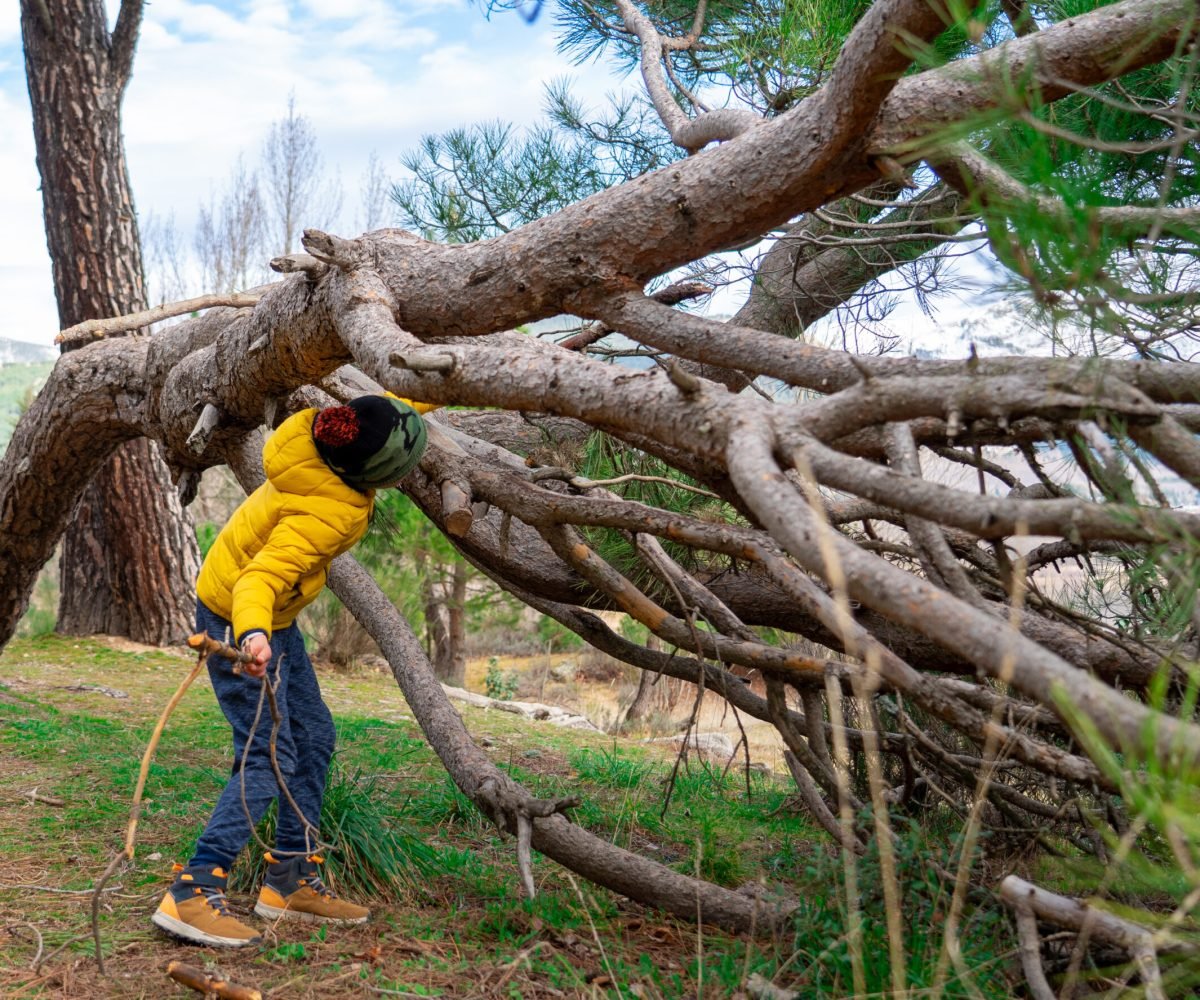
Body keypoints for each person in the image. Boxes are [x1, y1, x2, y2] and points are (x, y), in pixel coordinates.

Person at [152, 394, 433, 948]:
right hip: (241, 617)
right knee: (268, 752)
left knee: (313, 735)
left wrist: (459, 383)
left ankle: (288, 877)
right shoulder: (327, 510)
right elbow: (258, 579)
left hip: (269, 618)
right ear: (382, 475)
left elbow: (392, 410)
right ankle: (193, 888)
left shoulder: (320, 441)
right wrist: (252, 635)